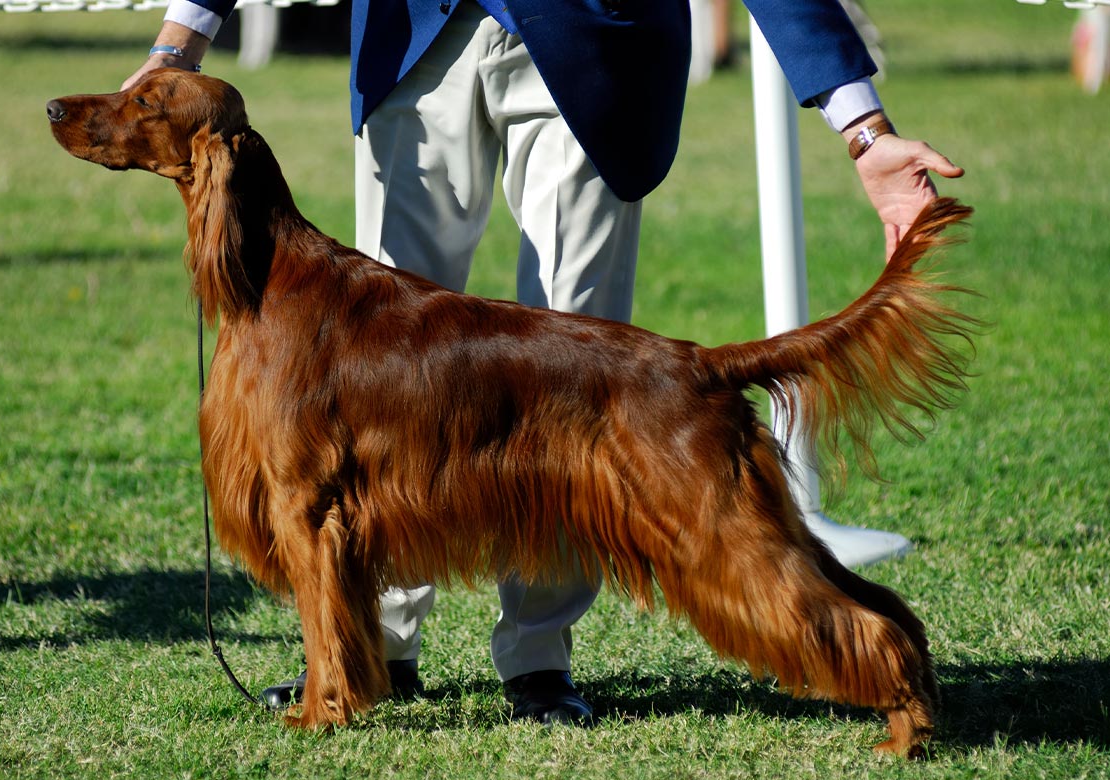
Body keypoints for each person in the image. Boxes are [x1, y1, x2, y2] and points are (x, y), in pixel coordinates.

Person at [123, 0, 963, 725]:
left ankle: (539, 659)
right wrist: (179, 40)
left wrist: (862, 126)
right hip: (415, 37)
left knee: (587, 375)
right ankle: (365, 653)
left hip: (592, 39)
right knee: (373, 383)